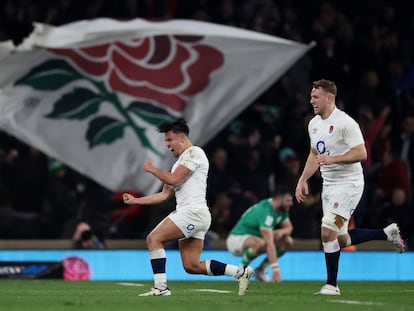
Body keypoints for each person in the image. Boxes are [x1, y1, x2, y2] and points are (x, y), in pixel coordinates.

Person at [295, 79, 405, 296]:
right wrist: (302, 179)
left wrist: (334, 159)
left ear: (329, 97)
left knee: (327, 231)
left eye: (315, 97)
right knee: (340, 239)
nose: (311, 101)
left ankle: (331, 285)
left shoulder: (346, 123)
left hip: (349, 185)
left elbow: (361, 153)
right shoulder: (313, 124)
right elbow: (314, 154)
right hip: (329, 186)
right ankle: (387, 233)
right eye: (311, 96)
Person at [123, 118, 254, 296]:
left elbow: (175, 179)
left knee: (153, 239)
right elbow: (164, 195)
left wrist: (154, 170)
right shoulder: (179, 163)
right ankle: (240, 272)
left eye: (170, 140)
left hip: (192, 213)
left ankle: (161, 288)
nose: (167, 145)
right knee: (192, 266)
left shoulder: (194, 153)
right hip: (196, 214)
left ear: (182, 138)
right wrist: (135, 201)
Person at [226, 185, 294, 283]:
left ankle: (261, 270)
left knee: (287, 241)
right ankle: (240, 272)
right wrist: (275, 270)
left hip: (255, 239)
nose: (291, 204)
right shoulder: (265, 210)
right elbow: (269, 243)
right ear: (279, 199)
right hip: (236, 239)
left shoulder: (282, 210)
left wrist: (281, 231)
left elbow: (289, 228)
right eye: (288, 200)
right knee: (262, 243)